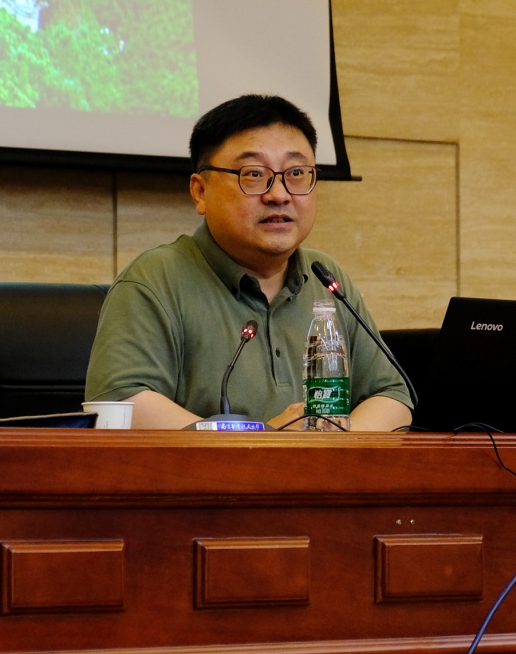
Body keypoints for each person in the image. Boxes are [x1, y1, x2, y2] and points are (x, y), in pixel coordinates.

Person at [84, 94, 412, 430]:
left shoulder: (325, 278)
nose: (279, 194)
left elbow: (392, 396)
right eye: (253, 174)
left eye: (297, 173)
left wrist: (330, 444)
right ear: (200, 192)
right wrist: (264, 441)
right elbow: (123, 404)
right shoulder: (155, 279)